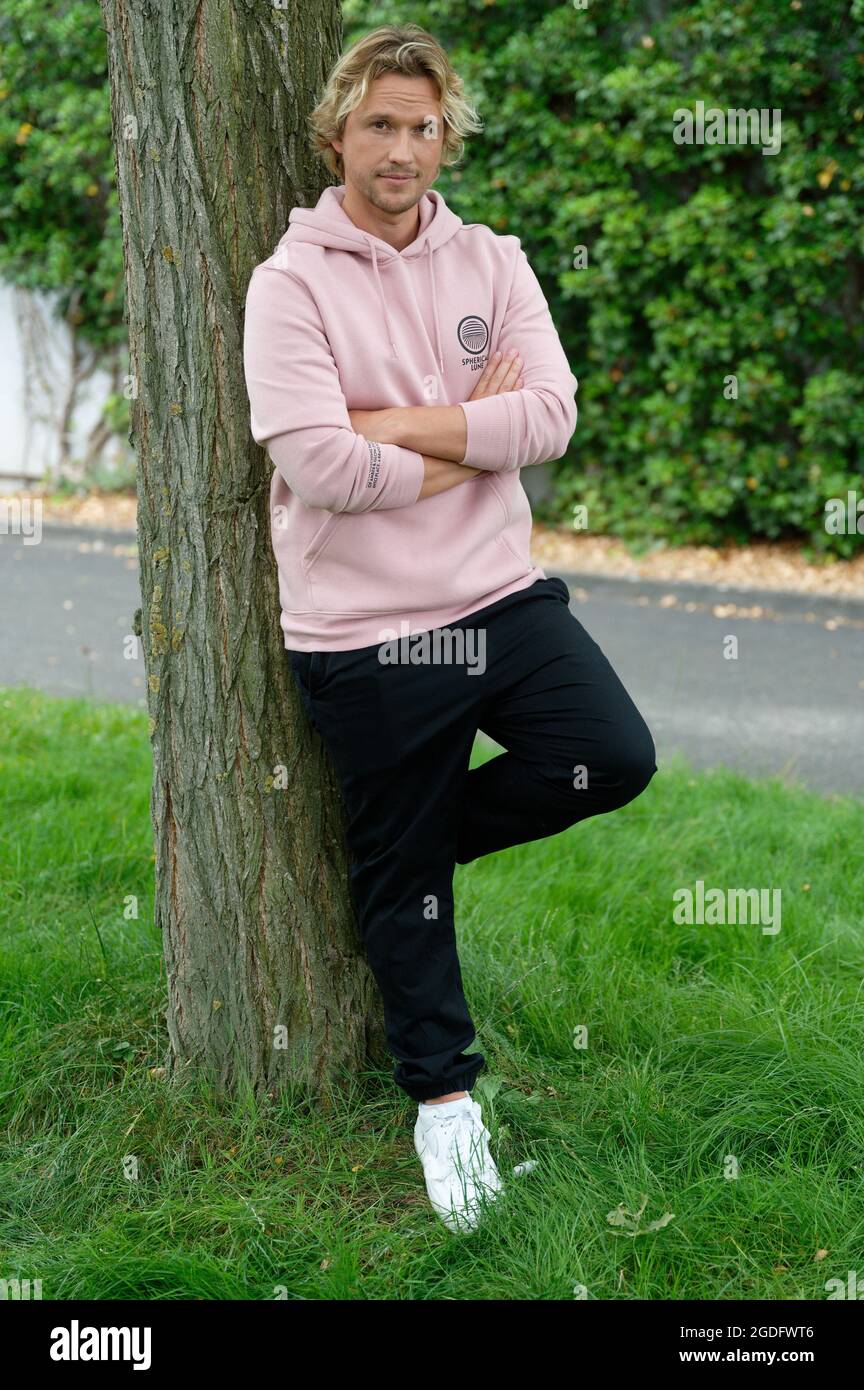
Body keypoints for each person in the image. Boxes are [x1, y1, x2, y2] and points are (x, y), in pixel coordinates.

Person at [243, 23, 657, 1234]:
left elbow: (551, 418)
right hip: (363, 628)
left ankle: (403, 859)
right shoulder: (293, 281)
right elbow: (320, 463)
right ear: (337, 133)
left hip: (497, 595)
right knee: (412, 903)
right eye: (381, 123)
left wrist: (399, 423)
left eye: (424, 127)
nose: (404, 148)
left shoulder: (495, 262)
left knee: (612, 757)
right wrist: (462, 439)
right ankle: (444, 1103)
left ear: (447, 138)